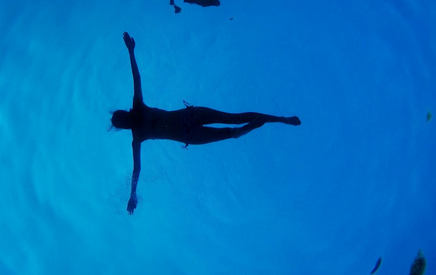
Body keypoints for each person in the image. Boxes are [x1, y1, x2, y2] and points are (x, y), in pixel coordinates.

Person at [112, 32, 301, 214]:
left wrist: (133, 194)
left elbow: (137, 168)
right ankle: (276, 121)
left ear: (123, 125)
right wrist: (130, 50)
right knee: (234, 120)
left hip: (188, 132)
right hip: (189, 119)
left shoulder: (137, 132)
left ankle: (256, 126)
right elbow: (136, 78)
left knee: (231, 129)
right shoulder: (137, 115)